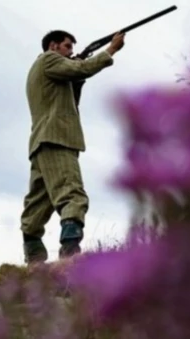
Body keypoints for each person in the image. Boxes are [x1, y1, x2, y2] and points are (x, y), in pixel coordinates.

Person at [20, 29, 125, 265]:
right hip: (57, 139)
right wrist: (110, 50)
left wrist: (79, 74)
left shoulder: (43, 70)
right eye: (67, 46)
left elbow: (71, 96)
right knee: (72, 196)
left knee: (37, 207)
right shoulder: (48, 59)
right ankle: (69, 262)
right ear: (53, 46)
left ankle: (34, 265)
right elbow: (80, 69)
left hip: (41, 143)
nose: (71, 51)